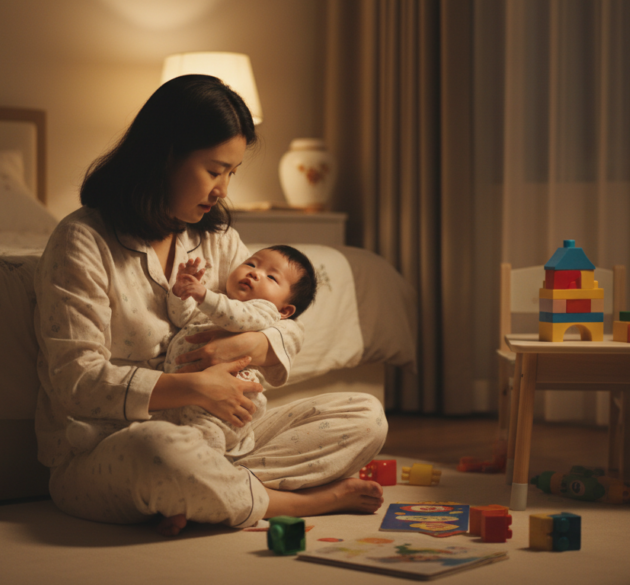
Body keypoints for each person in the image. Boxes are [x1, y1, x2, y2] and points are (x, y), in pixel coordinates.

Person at [33, 74, 388, 537]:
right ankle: (299, 502)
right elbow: (76, 382)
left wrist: (243, 347)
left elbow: (281, 321)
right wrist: (196, 387)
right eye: (214, 170)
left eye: (231, 174)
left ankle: (205, 490)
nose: (223, 189)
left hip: (223, 435)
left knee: (366, 415)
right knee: (164, 451)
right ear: (163, 157)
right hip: (112, 447)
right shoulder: (82, 241)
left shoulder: (214, 238)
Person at [66, 244, 318, 458]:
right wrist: (182, 291)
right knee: (159, 427)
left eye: (272, 277)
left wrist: (204, 295)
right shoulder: (216, 302)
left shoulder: (264, 311)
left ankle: (209, 469)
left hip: (226, 401)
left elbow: (238, 319)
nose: (255, 274)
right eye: (251, 264)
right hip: (183, 388)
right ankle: (100, 437)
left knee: (204, 436)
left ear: (285, 311)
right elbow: (181, 317)